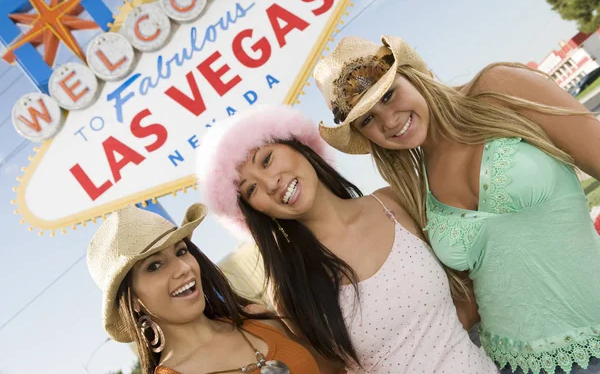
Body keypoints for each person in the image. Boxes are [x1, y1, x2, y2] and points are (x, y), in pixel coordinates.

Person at [314, 34, 600, 374]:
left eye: (388, 95)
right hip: (514, 364)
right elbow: (466, 298)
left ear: (410, 73)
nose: (388, 121)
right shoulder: (415, 190)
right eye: (367, 120)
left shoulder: (497, 88)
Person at [196, 104, 498, 373]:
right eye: (250, 190)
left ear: (298, 144)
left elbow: (468, 284)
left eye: (266, 160)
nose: (271, 183)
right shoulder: (291, 290)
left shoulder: (393, 202)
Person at [87, 202, 331, 374]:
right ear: (132, 301)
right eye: (154, 266)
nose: (183, 267)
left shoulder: (259, 319)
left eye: (182, 251)